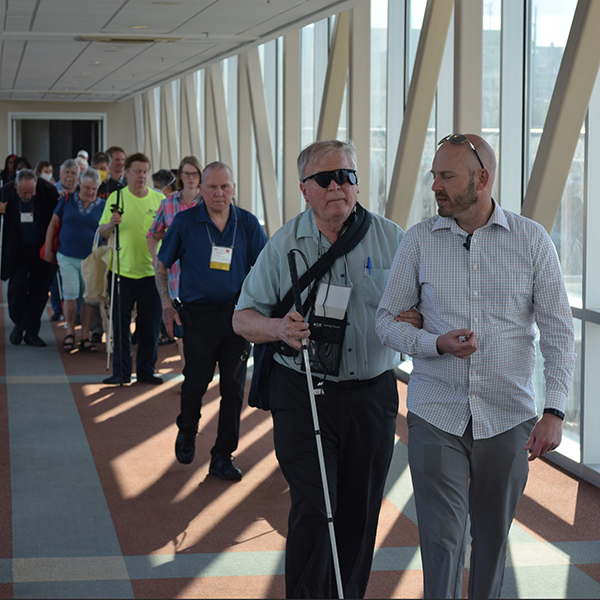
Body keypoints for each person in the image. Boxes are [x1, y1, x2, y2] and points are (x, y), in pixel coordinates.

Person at [376, 133, 576, 599]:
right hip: (435, 411)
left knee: (491, 542)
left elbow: (560, 332)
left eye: (447, 176)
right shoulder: (419, 240)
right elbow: (386, 321)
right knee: (442, 543)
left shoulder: (532, 240)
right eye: (434, 176)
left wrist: (555, 411)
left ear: (482, 179)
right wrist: (434, 343)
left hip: (508, 416)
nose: (435, 186)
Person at [232, 140, 420, 598]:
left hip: (373, 394)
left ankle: (347, 593)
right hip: (303, 391)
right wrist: (278, 327)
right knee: (317, 506)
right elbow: (242, 318)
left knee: (360, 507)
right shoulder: (284, 244)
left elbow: (425, 307)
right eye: (325, 178)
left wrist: (416, 319)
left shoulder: (393, 238)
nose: (338, 185)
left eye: (347, 176)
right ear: (304, 189)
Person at [156, 161, 266, 480]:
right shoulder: (185, 221)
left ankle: (222, 455)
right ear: (200, 189)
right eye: (212, 187)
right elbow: (162, 265)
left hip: (237, 316)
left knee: (233, 388)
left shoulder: (246, 223)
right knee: (195, 381)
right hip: (198, 316)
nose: (219, 193)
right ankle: (188, 429)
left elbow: (264, 269)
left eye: (225, 186)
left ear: (234, 188)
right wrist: (166, 305)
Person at [98, 152, 165, 385]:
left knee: (150, 325)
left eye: (145, 172)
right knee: (120, 324)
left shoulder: (158, 200)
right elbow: (102, 232)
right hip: (121, 272)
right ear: (127, 173)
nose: (142, 176)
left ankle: (146, 370)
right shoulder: (116, 198)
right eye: (137, 171)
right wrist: (111, 223)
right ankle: (121, 372)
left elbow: (169, 231)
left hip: (151, 273)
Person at [43, 168, 105, 353]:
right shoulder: (67, 199)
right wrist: (47, 250)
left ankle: (85, 335)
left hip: (91, 259)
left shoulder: (103, 205)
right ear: (79, 183)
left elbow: (107, 233)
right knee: (70, 294)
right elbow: (53, 224)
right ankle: (70, 331)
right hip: (66, 255)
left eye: (94, 189)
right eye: (87, 187)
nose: (90, 192)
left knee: (87, 298)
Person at [0, 169, 59, 346]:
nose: (28, 195)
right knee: (17, 287)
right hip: (18, 250)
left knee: (39, 292)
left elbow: (58, 212)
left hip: (42, 248)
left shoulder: (46, 190)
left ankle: (29, 332)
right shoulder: (6, 191)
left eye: (31, 192)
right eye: (24, 192)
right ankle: (20, 325)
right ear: (16, 186)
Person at [148, 157, 202, 348]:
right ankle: (188, 373)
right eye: (186, 173)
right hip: (175, 273)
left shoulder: (207, 203)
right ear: (179, 176)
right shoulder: (168, 204)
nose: (190, 177)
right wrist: (158, 260)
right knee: (182, 328)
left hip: (202, 273)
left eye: (194, 173)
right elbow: (153, 234)